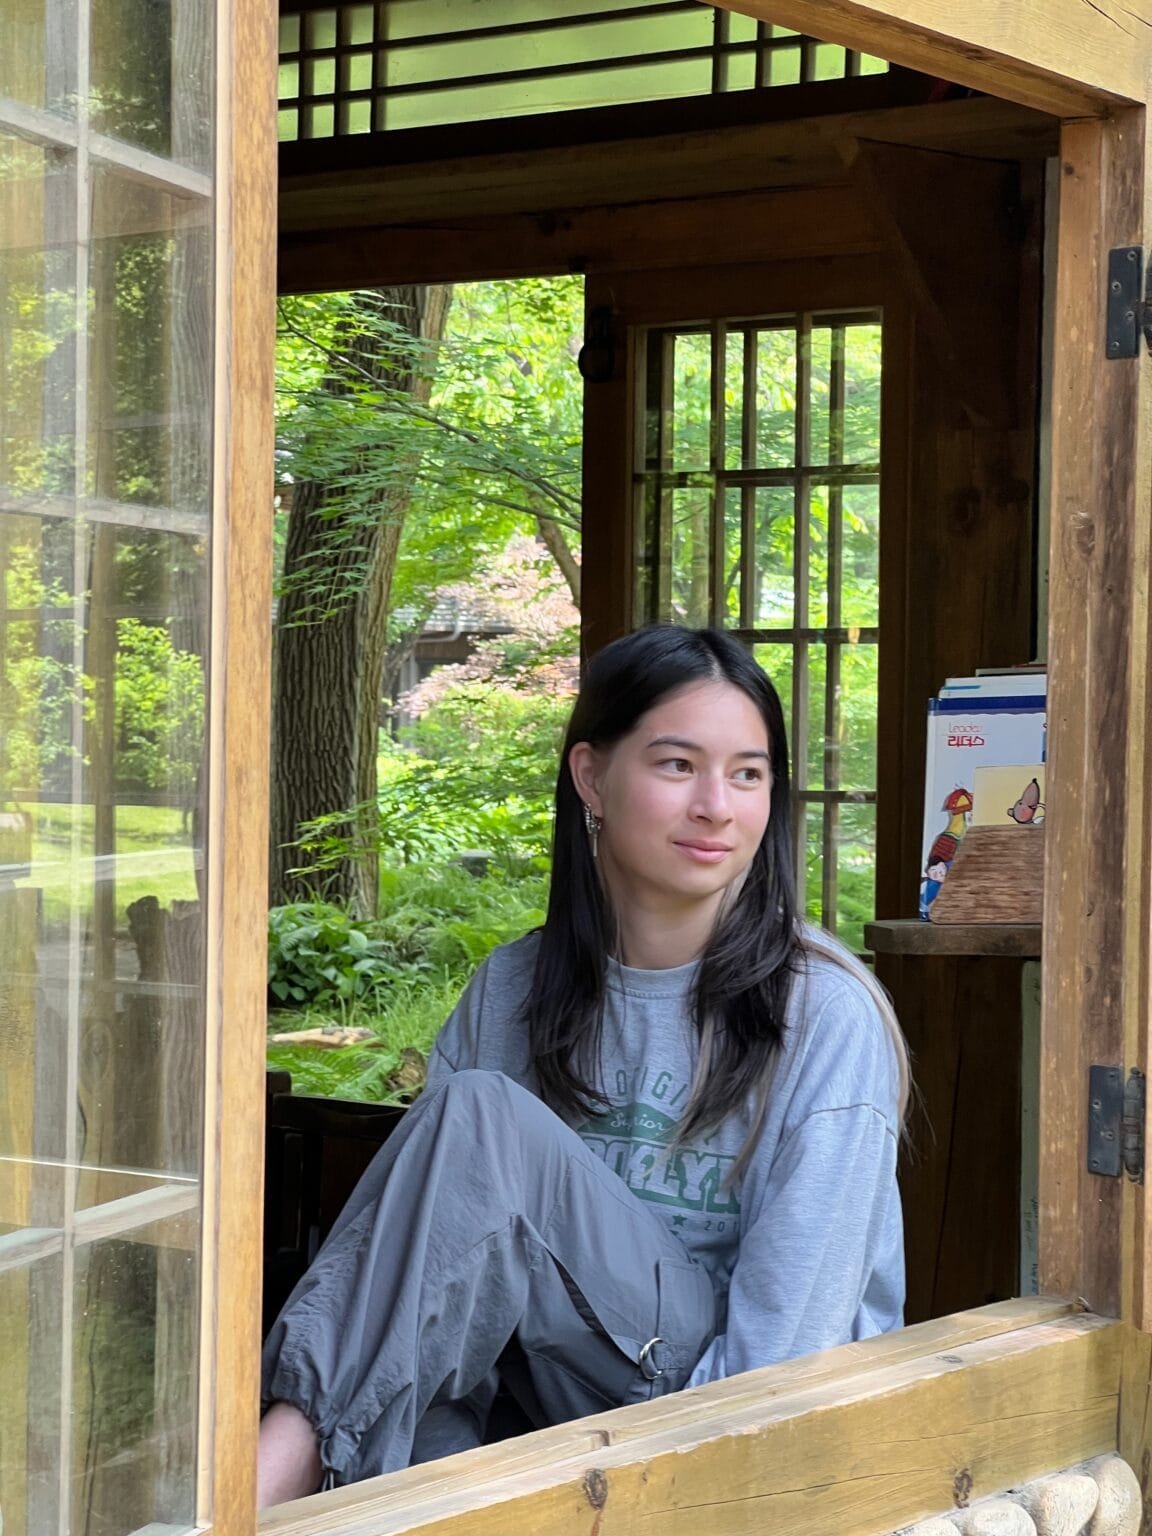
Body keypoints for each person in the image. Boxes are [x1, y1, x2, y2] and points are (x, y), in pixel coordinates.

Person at [258, 624, 909, 1505]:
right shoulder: (513, 987)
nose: (719, 806)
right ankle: (299, 1468)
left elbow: (791, 1349)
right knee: (473, 1128)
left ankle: (270, 1475)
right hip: (543, 1429)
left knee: (483, 1114)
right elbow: (434, 1291)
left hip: (716, 1426)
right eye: (678, 766)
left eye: (748, 774)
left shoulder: (823, 1013)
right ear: (592, 777)